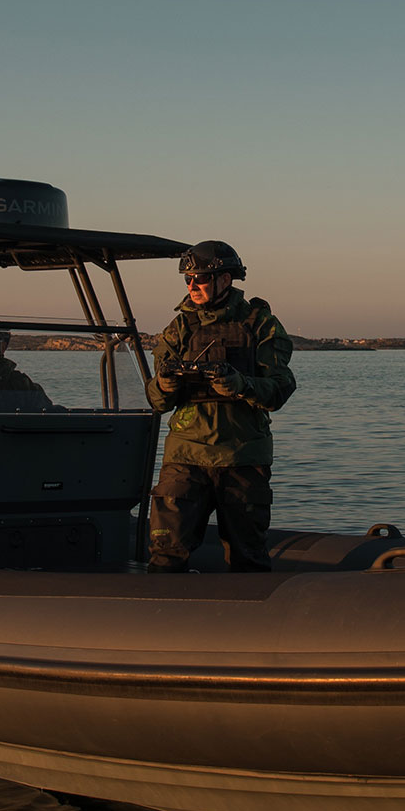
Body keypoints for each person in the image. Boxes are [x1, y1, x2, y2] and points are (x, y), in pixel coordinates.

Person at [146, 241, 297, 572]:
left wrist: (241, 385)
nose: (191, 286)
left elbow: (280, 388)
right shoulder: (179, 329)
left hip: (243, 457)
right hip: (185, 456)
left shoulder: (261, 325)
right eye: (187, 279)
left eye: (199, 278)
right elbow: (156, 401)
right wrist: (165, 385)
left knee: (249, 561)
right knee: (165, 557)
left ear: (225, 279)